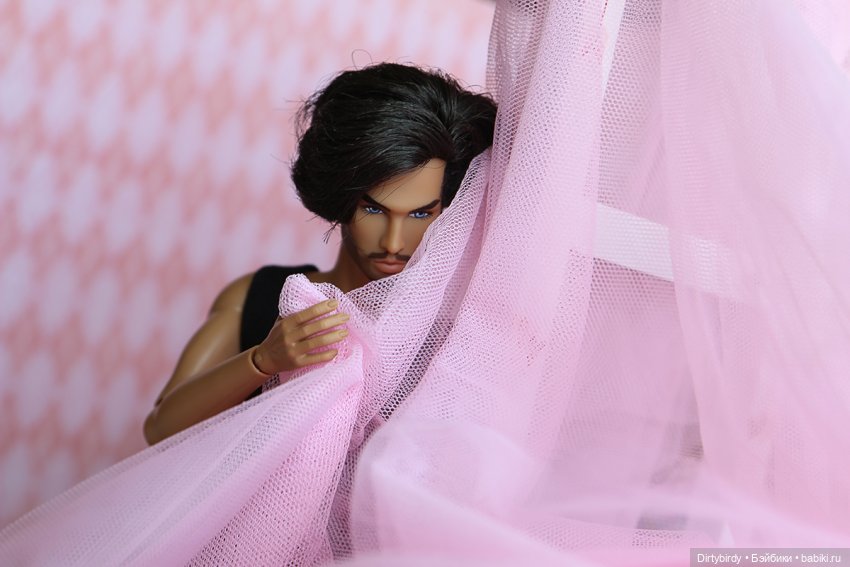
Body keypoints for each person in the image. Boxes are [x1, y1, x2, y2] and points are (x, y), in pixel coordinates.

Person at [143, 63, 497, 445]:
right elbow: (160, 428)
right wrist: (262, 361)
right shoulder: (259, 298)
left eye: (420, 214)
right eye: (373, 209)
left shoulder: (452, 332)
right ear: (340, 198)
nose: (394, 242)